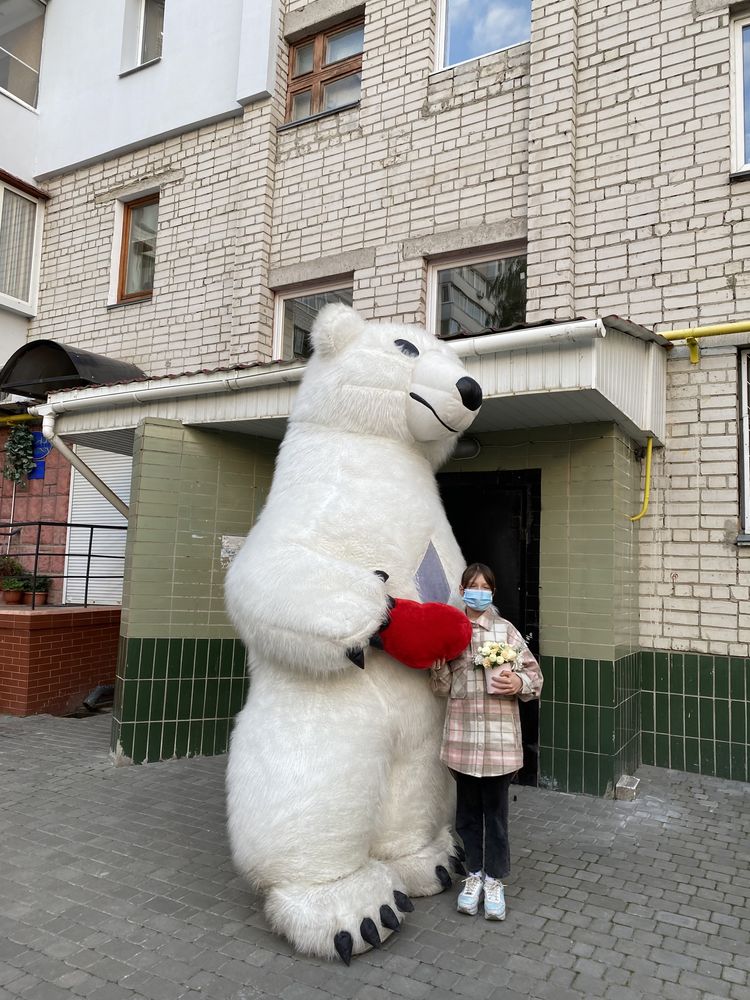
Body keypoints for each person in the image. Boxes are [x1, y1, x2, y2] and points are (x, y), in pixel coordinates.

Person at [431, 562, 543, 920]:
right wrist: (436, 663)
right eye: (471, 585)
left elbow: (534, 677)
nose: (478, 591)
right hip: (463, 741)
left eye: (485, 586)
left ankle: (494, 880)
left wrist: (519, 684)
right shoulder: (453, 631)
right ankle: (474, 876)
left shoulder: (505, 631)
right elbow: (443, 688)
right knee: (466, 815)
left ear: (492, 592)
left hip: (498, 743)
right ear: (462, 589)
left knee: (495, 816)